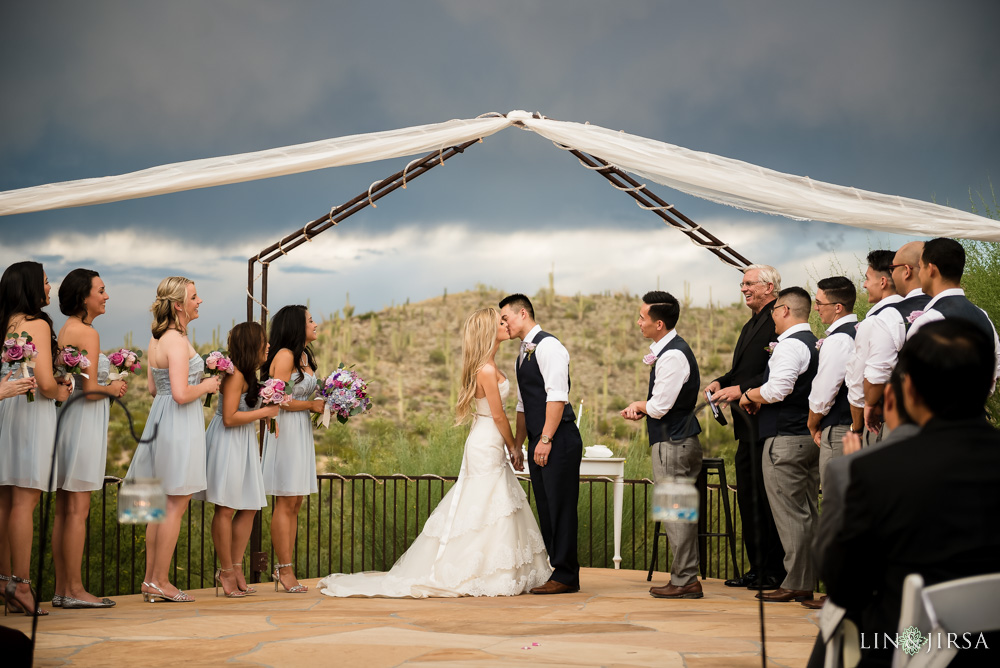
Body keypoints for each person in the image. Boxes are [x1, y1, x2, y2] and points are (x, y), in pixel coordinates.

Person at [318, 307, 551, 597]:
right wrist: (514, 447)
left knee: (493, 502)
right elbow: (499, 415)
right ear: (487, 331)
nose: (505, 325)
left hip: (487, 438)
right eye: (499, 322)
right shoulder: (487, 370)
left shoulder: (491, 366)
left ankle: (492, 567)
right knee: (484, 502)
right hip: (487, 440)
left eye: (505, 320)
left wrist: (513, 445)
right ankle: (471, 569)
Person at [821, 320, 1000, 667]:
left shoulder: (876, 471)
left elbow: (845, 585)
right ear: (987, 384)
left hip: (908, 645)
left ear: (911, 391)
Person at [125, 276, 220, 603]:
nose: (200, 301)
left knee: (159, 508)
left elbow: (155, 389)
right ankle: (161, 581)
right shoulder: (177, 341)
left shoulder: (157, 339)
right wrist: (207, 385)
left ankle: (151, 581)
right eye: (195, 296)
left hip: (161, 420)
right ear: (179, 304)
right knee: (174, 505)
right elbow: (181, 394)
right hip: (179, 425)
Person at [705, 264, 785, 590]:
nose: (743, 288)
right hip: (745, 427)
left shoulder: (777, 324)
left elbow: (774, 372)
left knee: (766, 501)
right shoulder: (748, 326)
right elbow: (742, 371)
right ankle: (757, 567)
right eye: (742, 283)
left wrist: (740, 390)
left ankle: (774, 571)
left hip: (766, 424)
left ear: (769, 287)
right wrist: (721, 381)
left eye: (749, 283)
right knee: (748, 499)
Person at [52, 268, 127, 609]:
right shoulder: (88, 333)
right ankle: (76, 590)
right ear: (85, 296)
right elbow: (91, 390)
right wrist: (113, 388)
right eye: (101, 290)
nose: (106, 295)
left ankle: (62, 588)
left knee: (64, 509)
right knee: (79, 509)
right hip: (84, 421)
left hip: (66, 421)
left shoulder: (66, 329)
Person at [620, 291, 703, 599]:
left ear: (658, 323)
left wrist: (639, 404)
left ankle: (684, 580)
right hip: (676, 441)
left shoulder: (672, 355)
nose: (638, 322)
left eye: (642, 318)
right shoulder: (670, 352)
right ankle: (685, 577)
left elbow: (659, 407)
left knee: (675, 512)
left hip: (673, 444)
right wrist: (644, 407)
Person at [739, 287, 819, 603]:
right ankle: (808, 578)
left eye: (774, 311)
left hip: (785, 438)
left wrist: (750, 395)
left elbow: (778, 389)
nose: (771, 316)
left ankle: (796, 581)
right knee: (808, 512)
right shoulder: (815, 344)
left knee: (789, 514)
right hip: (808, 438)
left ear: (784, 309)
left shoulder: (789, 346)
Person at [0, 261, 71, 616]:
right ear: (31, 286)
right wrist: (61, 390)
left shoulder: (4, 322)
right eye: (45, 281)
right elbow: (44, 382)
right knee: (25, 503)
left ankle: (3, 582)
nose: (49, 287)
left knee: (4, 501)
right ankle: (22, 584)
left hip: (5, 409)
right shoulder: (36, 323)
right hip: (30, 412)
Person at [500, 293, 583, 595]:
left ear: (522, 314)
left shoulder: (550, 347)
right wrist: (520, 444)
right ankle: (556, 571)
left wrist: (546, 438)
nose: (503, 324)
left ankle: (566, 576)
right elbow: (524, 404)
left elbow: (557, 396)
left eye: (505, 318)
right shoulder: (522, 354)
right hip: (539, 440)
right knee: (547, 507)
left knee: (561, 506)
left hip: (558, 438)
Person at [196, 322, 276, 598]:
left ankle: (236, 566)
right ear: (251, 345)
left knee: (250, 506)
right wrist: (264, 414)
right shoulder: (234, 376)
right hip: (228, 442)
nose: (267, 346)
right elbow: (229, 418)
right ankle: (226, 571)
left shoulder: (249, 376)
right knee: (226, 508)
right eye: (263, 342)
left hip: (244, 443)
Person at [260, 305, 324, 593]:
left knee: (296, 501)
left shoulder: (304, 356)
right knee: (286, 501)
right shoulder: (285, 355)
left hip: (300, 431)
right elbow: (278, 399)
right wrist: (311, 405)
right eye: (310, 320)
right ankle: (282, 569)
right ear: (297, 325)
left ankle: (287, 566)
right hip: (284, 430)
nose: (315, 324)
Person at [908, 237, 1000, 388]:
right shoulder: (983, 316)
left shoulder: (928, 322)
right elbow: (994, 372)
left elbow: (913, 383)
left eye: (920, 267)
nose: (919, 274)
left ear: (931, 269)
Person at [862, 241, 928, 435]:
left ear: (907, 271)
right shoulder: (971, 312)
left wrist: (869, 404)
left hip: (905, 420)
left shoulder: (888, 317)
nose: (892, 274)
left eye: (893, 269)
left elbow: (876, 373)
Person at [844, 251, 901, 446]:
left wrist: (857, 427)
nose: (865, 285)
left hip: (884, 421)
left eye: (867, 279)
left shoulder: (876, 321)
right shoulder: (918, 312)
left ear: (883, 282)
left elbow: (860, 381)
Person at [806, 276, 857, 489]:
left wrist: (812, 423)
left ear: (837, 307)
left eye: (819, 303)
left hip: (839, 428)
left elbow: (825, 390)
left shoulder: (838, 340)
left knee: (835, 501)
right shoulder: (859, 330)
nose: (816, 308)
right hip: (854, 425)